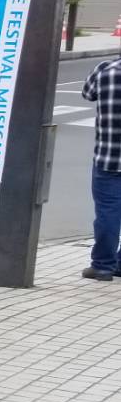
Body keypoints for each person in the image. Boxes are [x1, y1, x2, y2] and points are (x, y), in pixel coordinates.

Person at [82, 54, 121, 281]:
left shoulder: (106, 69)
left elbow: (88, 94)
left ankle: (103, 266)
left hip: (108, 157)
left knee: (108, 212)